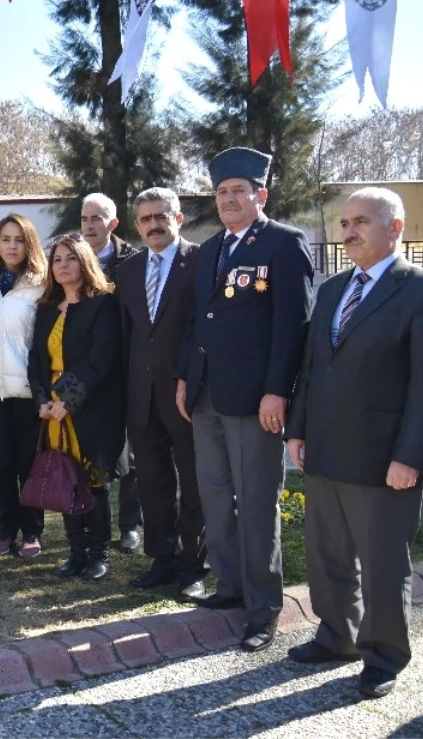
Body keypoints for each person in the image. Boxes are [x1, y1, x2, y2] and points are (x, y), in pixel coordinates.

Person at [284, 188, 423, 699]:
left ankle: (384, 655)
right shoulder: (333, 289)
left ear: (395, 227)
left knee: (382, 564)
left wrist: (410, 457)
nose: (349, 231)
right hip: (326, 448)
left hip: (385, 458)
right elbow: (314, 368)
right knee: (327, 554)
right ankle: (338, 636)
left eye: (361, 221)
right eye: (345, 222)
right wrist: (299, 429)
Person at [175, 147, 313, 653]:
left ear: (261, 194)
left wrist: (278, 390)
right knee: (215, 493)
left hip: (256, 400)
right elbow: (197, 321)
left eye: (239, 190)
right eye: (222, 192)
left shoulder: (283, 244)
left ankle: (263, 608)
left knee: (256, 503)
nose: (230, 199)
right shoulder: (210, 249)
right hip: (207, 394)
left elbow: (293, 326)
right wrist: (185, 377)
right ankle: (230, 587)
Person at [115, 188, 206, 601]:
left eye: (161, 216)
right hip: (141, 397)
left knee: (193, 481)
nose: (154, 224)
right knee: (151, 481)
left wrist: (192, 378)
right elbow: (127, 335)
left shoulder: (202, 261)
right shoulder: (129, 270)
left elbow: (204, 330)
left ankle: (193, 566)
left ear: (178, 218)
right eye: (146, 218)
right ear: (137, 225)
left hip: (187, 395)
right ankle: (161, 558)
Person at [28, 234, 125, 581]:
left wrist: (65, 402)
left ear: (84, 262)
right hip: (53, 409)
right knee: (64, 478)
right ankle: (76, 552)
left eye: (70, 258)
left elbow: (100, 360)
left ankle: (100, 554)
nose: (63, 265)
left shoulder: (103, 304)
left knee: (92, 482)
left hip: (92, 409)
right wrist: (42, 400)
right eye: (57, 260)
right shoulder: (45, 308)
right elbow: (36, 360)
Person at [0, 214, 47, 560]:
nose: (11, 246)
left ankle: (32, 532)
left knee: (28, 464)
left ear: (29, 243)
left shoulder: (41, 284)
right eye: (5, 239)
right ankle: (6, 530)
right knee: (2, 465)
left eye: (18, 239)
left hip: (26, 391)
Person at [80, 192, 142, 554]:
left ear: (113, 224)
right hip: (89, 369)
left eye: (97, 218)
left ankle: (130, 525)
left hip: (127, 366)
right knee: (96, 450)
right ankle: (92, 521)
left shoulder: (131, 262)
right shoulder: (74, 257)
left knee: (131, 452)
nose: (89, 225)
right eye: (85, 218)